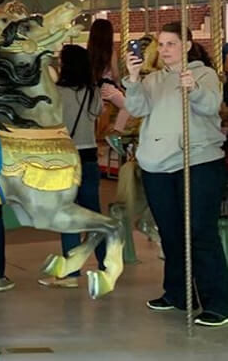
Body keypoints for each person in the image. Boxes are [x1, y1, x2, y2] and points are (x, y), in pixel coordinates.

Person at [124, 22, 228, 327]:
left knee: (199, 232)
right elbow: (138, 108)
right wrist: (132, 78)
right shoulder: (154, 79)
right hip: (158, 165)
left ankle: (218, 301)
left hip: (196, 161)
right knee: (169, 233)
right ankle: (178, 292)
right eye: (161, 44)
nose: (164, 49)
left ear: (186, 44)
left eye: (171, 43)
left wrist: (192, 88)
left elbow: (211, 106)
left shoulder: (204, 74)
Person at [40, 44, 107, 288]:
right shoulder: (92, 91)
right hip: (88, 155)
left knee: (66, 214)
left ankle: (71, 271)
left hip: (65, 156)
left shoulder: (57, 92)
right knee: (94, 214)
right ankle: (105, 264)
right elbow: (99, 113)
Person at [87, 18, 131, 155]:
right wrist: (120, 86)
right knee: (128, 106)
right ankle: (116, 133)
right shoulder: (110, 49)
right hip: (107, 88)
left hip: (93, 88)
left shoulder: (89, 49)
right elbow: (116, 73)